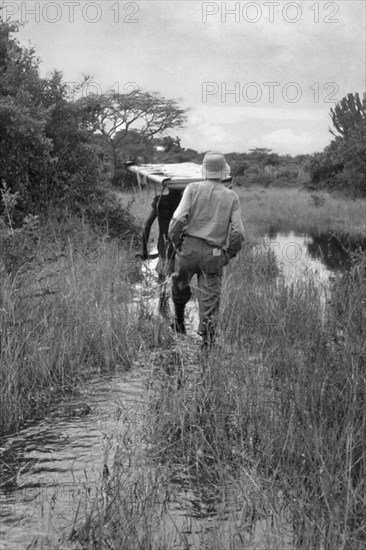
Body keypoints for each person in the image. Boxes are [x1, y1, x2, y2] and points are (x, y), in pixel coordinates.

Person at [168, 152, 244, 347]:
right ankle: (208, 343)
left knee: (179, 285)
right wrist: (228, 254)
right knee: (210, 299)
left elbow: (177, 219)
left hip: (189, 250)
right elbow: (237, 232)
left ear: (204, 170)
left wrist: (176, 243)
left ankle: (178, 323)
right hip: (214, 253)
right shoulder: (232, 196)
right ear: (223, 172)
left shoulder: (192, 188)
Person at [141, 186, 184, 315]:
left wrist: (144, 250)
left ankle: (163, 313)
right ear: (182, 187)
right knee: (180, 286)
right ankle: (179, 320)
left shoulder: (160, 201)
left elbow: (147, 225)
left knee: (163, 286)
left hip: (164, 248)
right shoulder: (185, 202)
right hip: (183, 249)